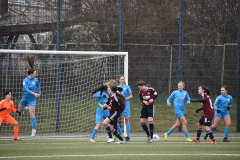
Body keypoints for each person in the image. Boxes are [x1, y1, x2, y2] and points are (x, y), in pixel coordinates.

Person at [18, 68, 41, 137]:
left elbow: (38, 86)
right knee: (18, 111)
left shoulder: (35, 80)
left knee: (32, 115)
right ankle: (25, 108)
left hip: (32, 99)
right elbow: (26, 89)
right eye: (35, 73)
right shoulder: (25, 80)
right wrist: (34, 93)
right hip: (25, 97)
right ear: (31, 74)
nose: (36, 75)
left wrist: (39, 93)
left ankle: (33, 131)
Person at [117, 76, 133, 141]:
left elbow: (131, 95)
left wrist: (125, 98)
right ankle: (119, 134)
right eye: (121, 79)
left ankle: (128, 136)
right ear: (119, 80)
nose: (122, 80)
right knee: (116, 120)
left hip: (126, 105)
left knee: (126, 120)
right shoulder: (117, 87)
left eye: (123, 79)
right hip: (118, 105)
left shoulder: (127, 87)